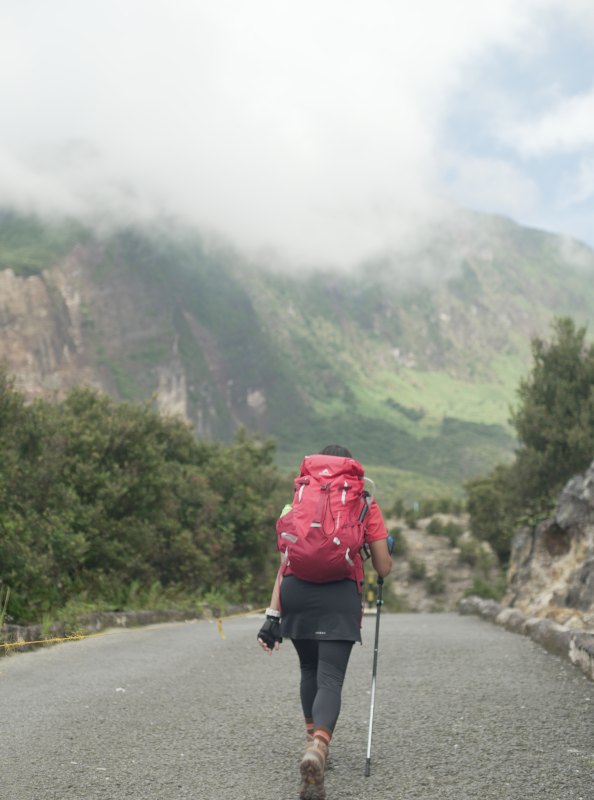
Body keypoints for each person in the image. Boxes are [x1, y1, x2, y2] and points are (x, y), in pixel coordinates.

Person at [257, 445, 392, 800]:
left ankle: (310, 740)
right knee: (330, 678)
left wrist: (272, 615)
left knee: (309, 669)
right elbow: (383, 567)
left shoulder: (298, 500)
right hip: (339, 595)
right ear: (352, 471)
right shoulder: (363, 501)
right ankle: (318, 746)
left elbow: (285, 562)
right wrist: (381, 547)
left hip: (296, 592)